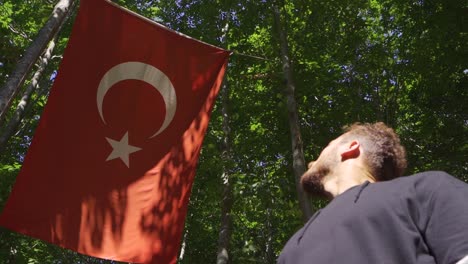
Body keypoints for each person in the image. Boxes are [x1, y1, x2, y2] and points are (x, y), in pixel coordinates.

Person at [278, 122, 468, 264]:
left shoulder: (426, 190)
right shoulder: (293, 246)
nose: (311, 162)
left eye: (328, 145)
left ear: (350, 148)